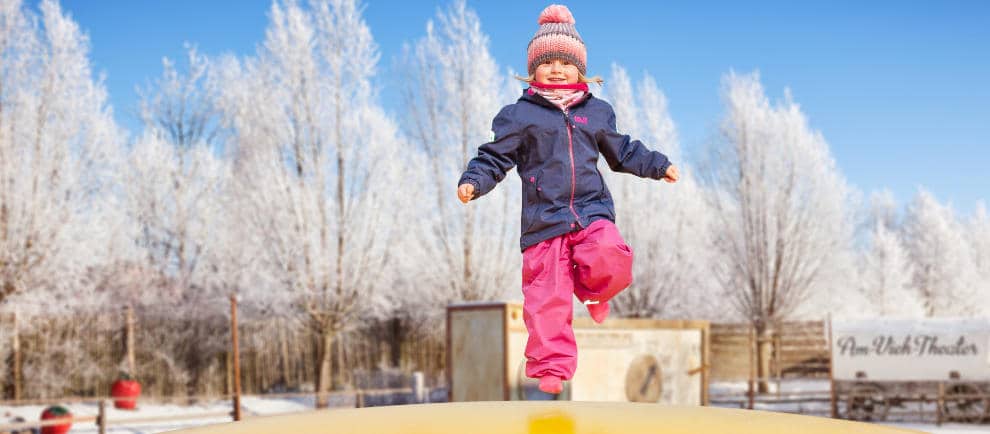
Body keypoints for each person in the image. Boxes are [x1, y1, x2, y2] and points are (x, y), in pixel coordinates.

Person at [456, 4, 679, 395]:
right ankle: (552, 368)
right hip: (544, 221)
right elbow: (494, 157)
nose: (557, 69)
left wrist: (658, 165)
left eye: (565, 62)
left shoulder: (596, 112)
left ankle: (595, 293)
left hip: (591, 211)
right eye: (547, 62)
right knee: (546, 299)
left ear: (580, 69)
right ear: (532, 69)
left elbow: (623, 151)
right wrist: (474, 181)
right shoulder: (520, 115)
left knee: (611, 255)